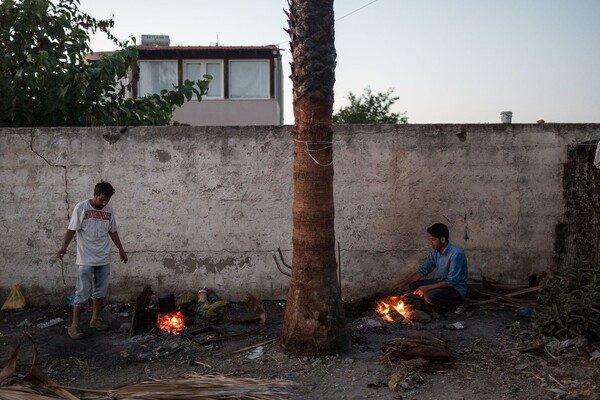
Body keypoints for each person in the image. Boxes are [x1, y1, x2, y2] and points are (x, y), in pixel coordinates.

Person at [56, 181, 128, 339]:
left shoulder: (108, 210)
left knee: (99, 294)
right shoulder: (81, 208)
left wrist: (121, 249)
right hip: (85, 259)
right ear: (95, 195)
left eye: (107, 201)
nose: (104, 203)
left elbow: (113, 231)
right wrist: (63, 247)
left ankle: (95, 320)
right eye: (101, 199)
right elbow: (71, 230)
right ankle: (74, 326)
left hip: (103, 258)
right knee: (82, 293)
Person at [393, 223, 468, 314]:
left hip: (455, 288)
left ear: (443, 239)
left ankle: (456, 304)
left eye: (433, 240)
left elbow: (452, 281)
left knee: (429, 296)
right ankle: (432, 302)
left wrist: (426, 288)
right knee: (413, 285)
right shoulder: (435, 252)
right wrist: (403, 283)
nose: (430, 243)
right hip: (442, 283)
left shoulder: (456, 254)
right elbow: (423, 271)